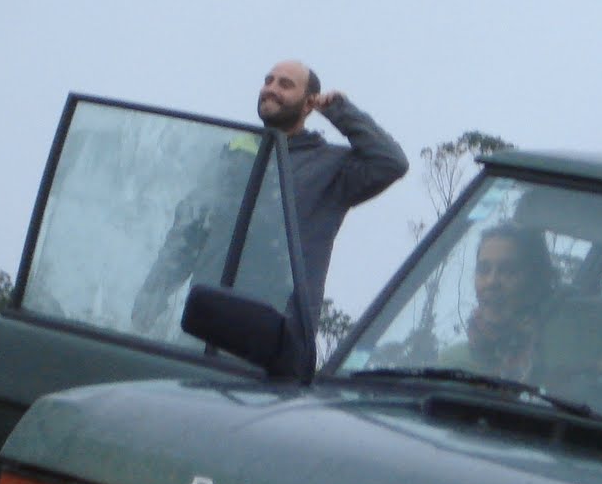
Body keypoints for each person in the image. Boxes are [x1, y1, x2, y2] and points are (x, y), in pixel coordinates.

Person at [131, 60, 408, 332]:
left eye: (285, 85)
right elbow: (188, 231)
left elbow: (391, 163)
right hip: (206, 324)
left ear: (309, 104)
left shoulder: (329, 167)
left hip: (275, 334)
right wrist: (153, 293)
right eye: (268, 81)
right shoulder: (230, 156)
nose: (271, 89)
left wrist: (340, 110)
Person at [440, 223, 602, 393]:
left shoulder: (590, 334)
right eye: (484, 270)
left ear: (537, 280)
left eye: (508, 271)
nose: (492, 281)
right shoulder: (451, 365)